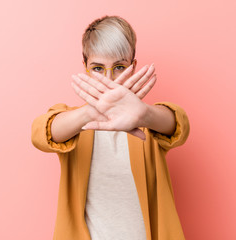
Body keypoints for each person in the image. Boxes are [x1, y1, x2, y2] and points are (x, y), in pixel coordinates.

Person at [31, 15, 190, 240]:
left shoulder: (146, 122)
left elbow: (179, 123)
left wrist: (145, 115)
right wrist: (89, 112)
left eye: (119, 67)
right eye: (98, 68)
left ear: (132, 67)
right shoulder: (75, 122)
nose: (109, 79)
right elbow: (41, 133)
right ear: (85, 66)